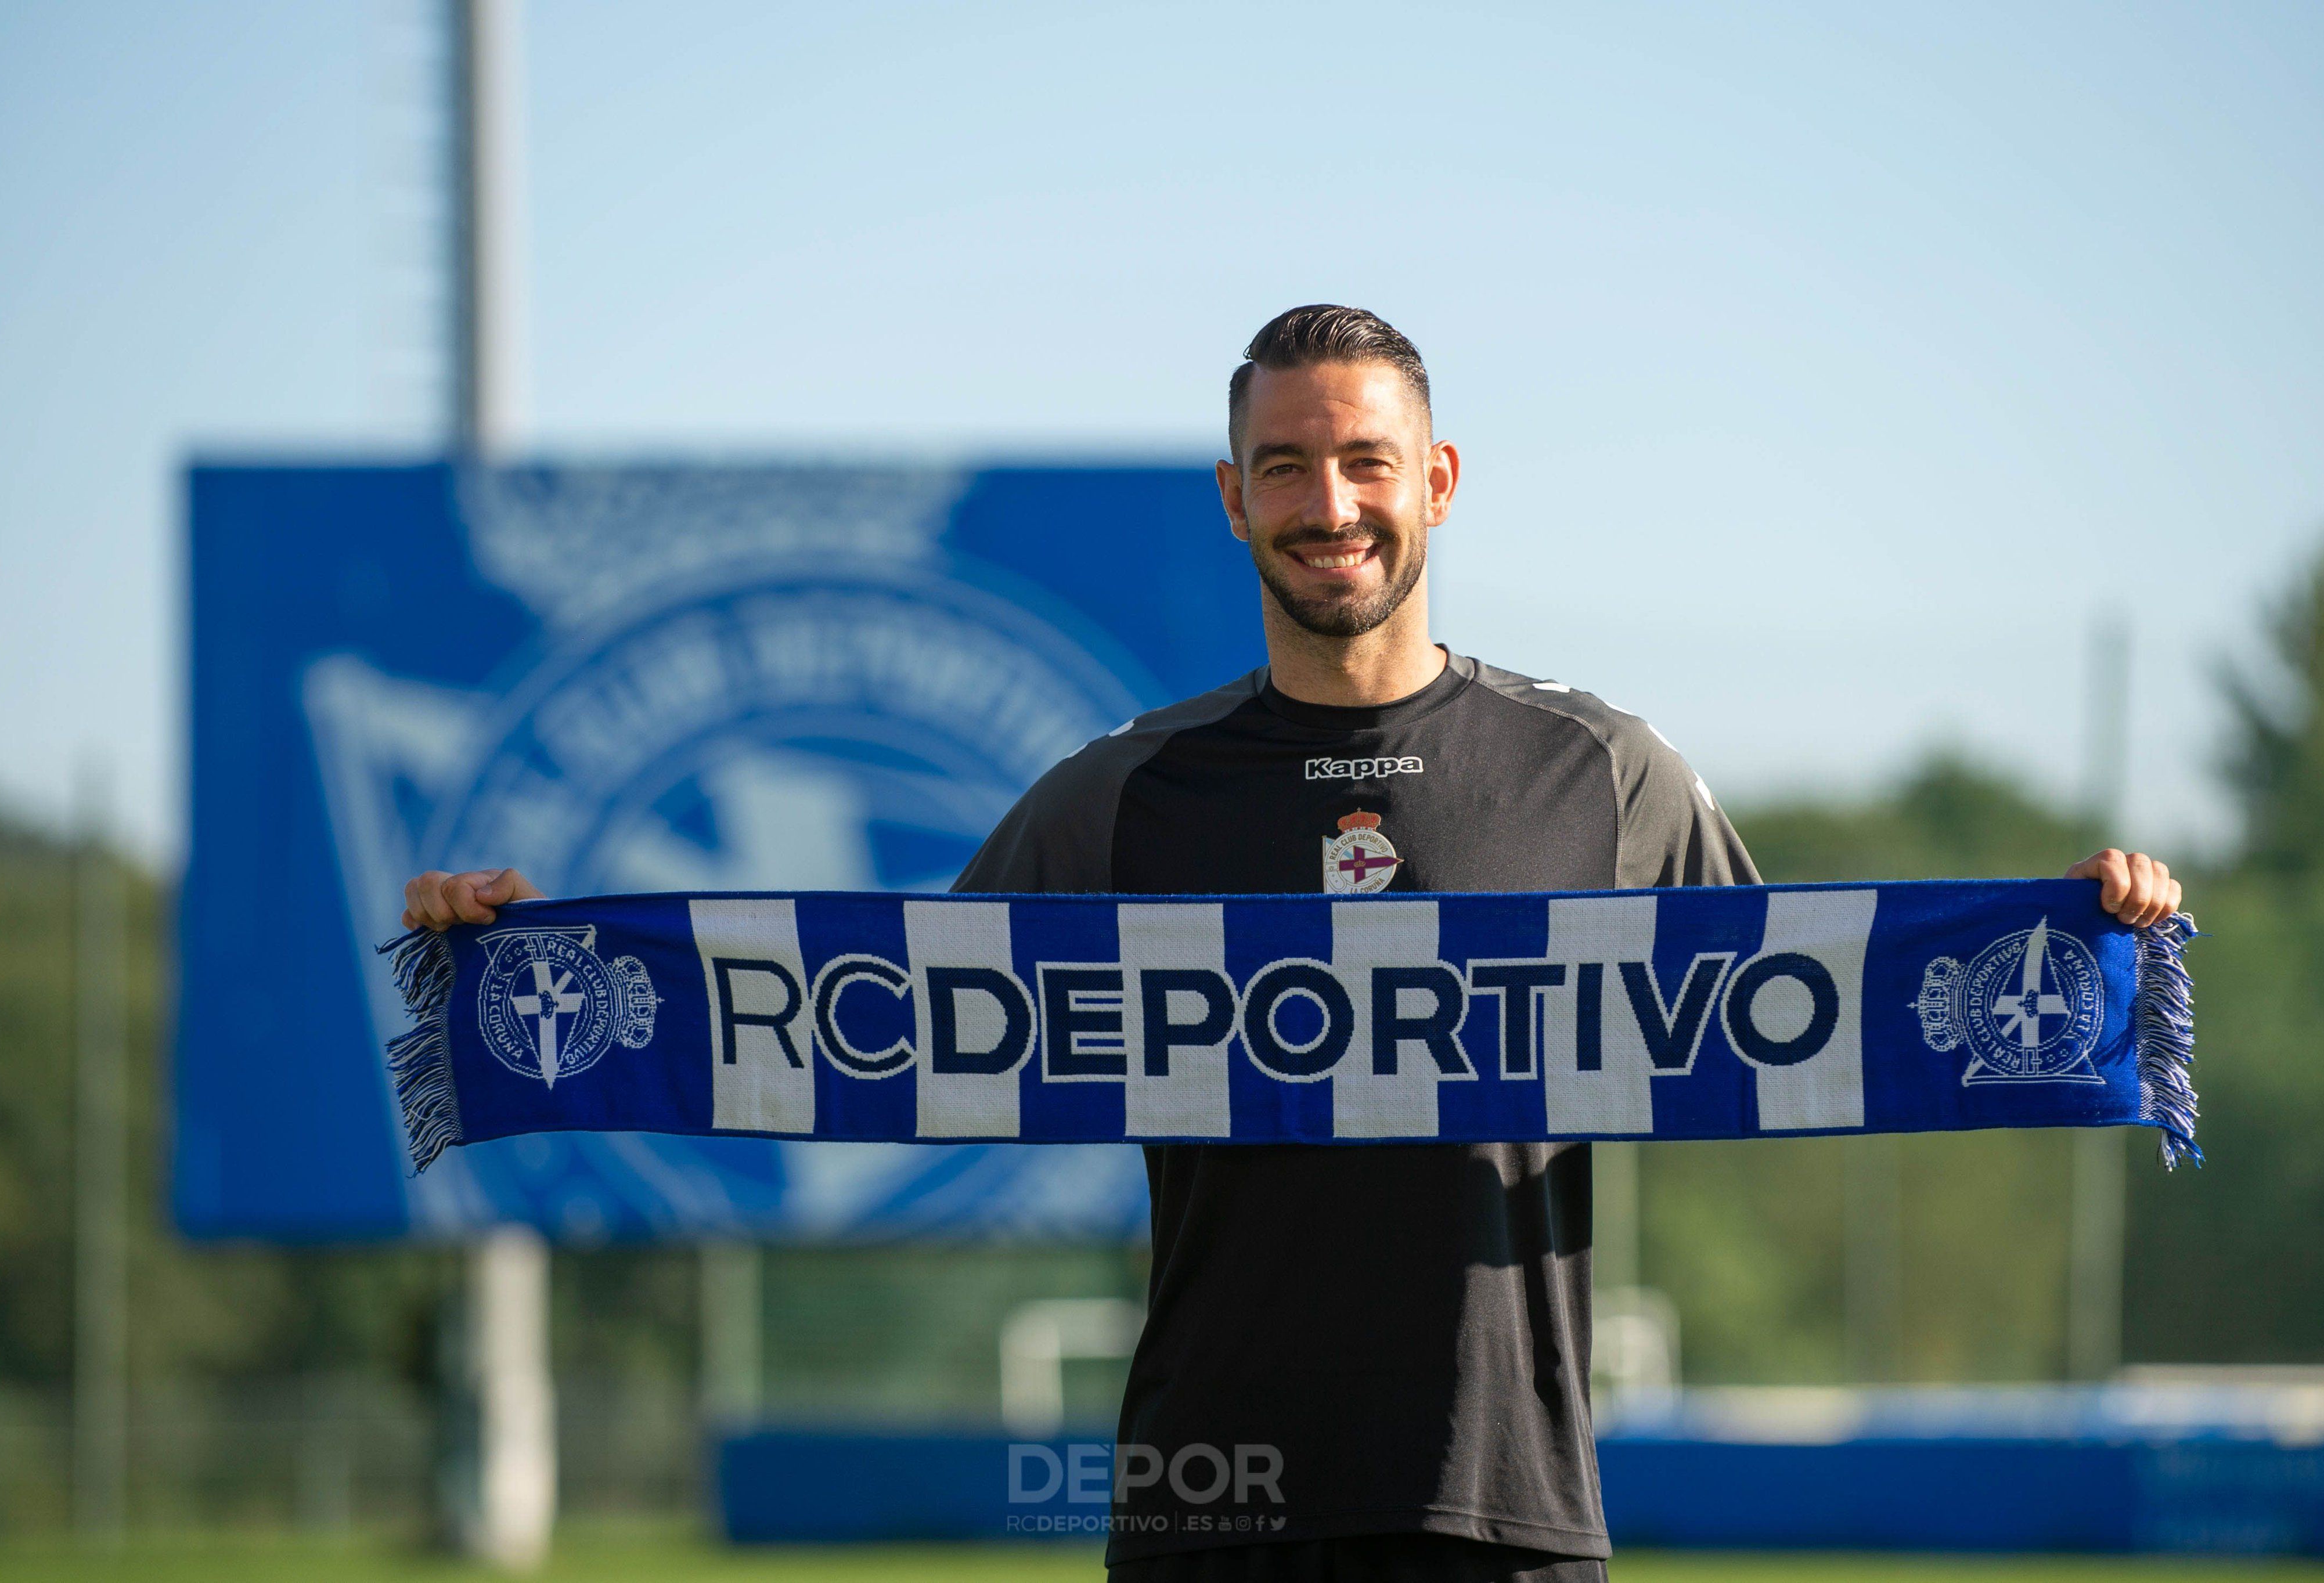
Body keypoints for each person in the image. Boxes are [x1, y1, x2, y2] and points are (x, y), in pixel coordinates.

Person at [402, 305, 2184, 1580]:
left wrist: (2086, 937)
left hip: (1505, 1490)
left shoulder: (1606, 776)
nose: (1332, 506)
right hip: (1206, 1499)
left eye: (1365, 463)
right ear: (1235, 497)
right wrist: (525, 957)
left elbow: (1819, 1011)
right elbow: (876, 1022)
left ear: (1441, 477)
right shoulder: (1123, 797)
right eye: (1288, 468)